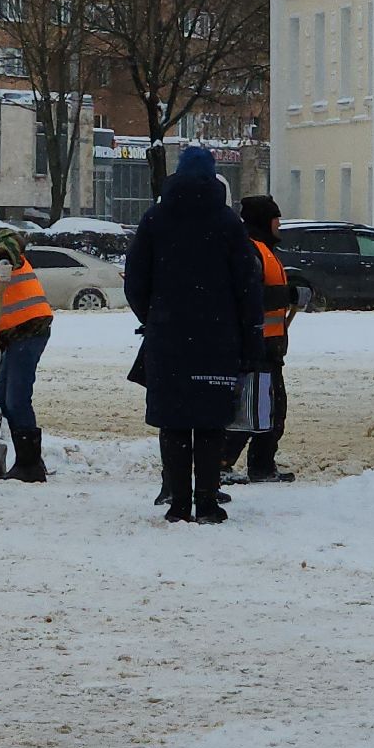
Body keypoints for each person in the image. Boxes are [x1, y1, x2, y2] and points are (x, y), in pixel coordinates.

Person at [124, 146, 262, 524]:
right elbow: (248, 286)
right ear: (214, 176)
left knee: (173, 421)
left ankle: (178, 503)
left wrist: (153, 317)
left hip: (168, 337)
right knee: (209, 420)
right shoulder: (228, 224)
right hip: (218, 338)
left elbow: (135, 280)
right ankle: (207, 501)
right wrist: (248, 335)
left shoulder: (155, 219)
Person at [219, 195, 299, 484]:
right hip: (255, 346)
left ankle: (261, 465)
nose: (280, 224)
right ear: (265, 221)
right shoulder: (251, 252)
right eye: (276, 219)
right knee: (252, 407)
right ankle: (223, 463)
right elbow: (247, 297)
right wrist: (287, 296)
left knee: (270, 409)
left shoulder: (264, 250)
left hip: (269, 346)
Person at [0, 226, 54, 482]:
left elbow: (9, 236)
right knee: (5, 400)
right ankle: (30, 459)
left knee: (17, 399)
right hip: (11, 337)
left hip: (31, 326)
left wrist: (3, 259)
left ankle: (29, 466)